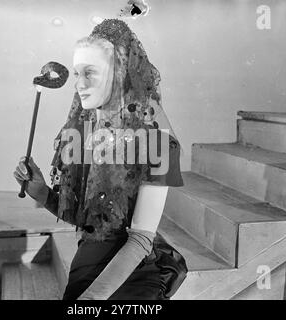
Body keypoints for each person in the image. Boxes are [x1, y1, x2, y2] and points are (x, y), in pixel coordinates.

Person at [14, 19, 187, 300]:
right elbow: (87, 220)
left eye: (90, 73)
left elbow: (141, 239)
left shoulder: (157, 140)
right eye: (76, 74)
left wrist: (90, 301)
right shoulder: (86, 133)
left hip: (134, 268)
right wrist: (42, 192)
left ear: (119, 73)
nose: (79, 85)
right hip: (91, 257)